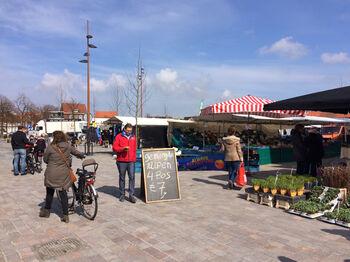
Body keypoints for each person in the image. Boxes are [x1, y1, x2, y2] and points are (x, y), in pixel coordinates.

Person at [39, 131, 85, 223]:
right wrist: (82, 156)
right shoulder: (68, 146)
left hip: (51, 173)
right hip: (63, 173)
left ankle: (47, 211)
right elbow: (76, 152)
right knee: (63, 194)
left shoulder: (51, 147)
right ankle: (65, 216)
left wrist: (51, 163)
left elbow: (45, 159)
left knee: (49, 192)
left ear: (54, 138)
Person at [112, 123, 137, 203]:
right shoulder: (119, 136)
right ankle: (122, 194)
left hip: (131, 161)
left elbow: (134, 149)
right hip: (121, 161)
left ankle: (131, 195)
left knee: (132, 177)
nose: (129, 132)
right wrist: (122, 149)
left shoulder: (133, 137)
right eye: (128, 131)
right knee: (122, 178)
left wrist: (134, 158)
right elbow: (114, 148)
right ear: (125, 129)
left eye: (130, 131)